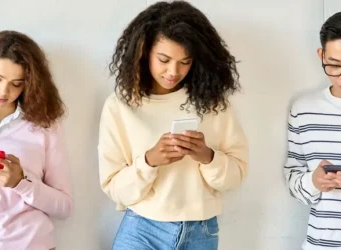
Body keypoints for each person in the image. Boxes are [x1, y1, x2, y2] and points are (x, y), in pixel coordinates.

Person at [98, 1, 248, 249]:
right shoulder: (120, 105)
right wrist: (149, 161)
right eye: (164, 59)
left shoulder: (212, 103)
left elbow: (235, 177)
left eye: (185, 62)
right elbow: (114, 188)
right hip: (142, 228)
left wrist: (207, 156)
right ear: (144, 52)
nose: (173, 71)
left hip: (200, 230)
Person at [0, 30, 73, 250]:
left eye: (16, 83)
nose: (4, 91)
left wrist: (21, 183)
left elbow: (64, 207)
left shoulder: (44, 124)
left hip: (31, 243)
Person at [284, 10, 341, 250]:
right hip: (321, 245)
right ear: (321, 56)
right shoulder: (303, 110)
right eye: (333, 65)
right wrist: (314, 181)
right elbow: (294, 182)